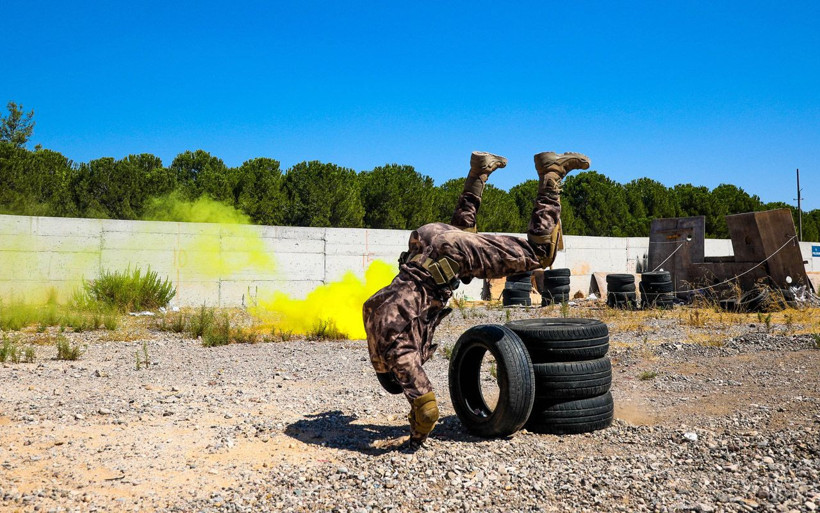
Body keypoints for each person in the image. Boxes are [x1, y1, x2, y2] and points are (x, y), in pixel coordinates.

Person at [363, 150, 590, 448]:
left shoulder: (399, 355)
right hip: (427, 238)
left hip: (452, 254)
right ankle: (478, 172)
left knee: (540, 253)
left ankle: (551, 174)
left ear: (396, 373)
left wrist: (414, 438)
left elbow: (428, 411)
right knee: (463, 232)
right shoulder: (372, 313)